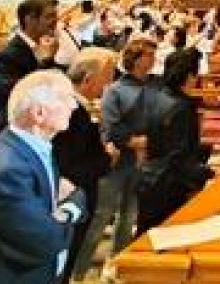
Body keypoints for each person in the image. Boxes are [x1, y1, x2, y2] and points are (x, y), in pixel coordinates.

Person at [0, 70, 87, 284]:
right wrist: (73, 206)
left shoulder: (34, 147)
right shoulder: (6, 173)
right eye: (66, 98)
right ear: (39, 114)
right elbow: (45, 241)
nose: (74, 106)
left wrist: (57, 215)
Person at [70, 37, 155, 281]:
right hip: (114, 163)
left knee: (129, 218)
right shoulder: (115, 90)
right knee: (100, 219)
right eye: (148, 55)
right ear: (135, 59)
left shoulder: (153, 88)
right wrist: (138, 143)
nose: (152, 59)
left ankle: (117, 269)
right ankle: (77, 273)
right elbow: (112, 128)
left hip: (140, 163)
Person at [53, 49, 115, 284]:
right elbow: (72, 166)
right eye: (106, 78)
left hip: (71, 195)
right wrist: (107, 159)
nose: (108, 85)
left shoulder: (72, 106)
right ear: (88, 78)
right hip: (70, 198)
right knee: (62, 264)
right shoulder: (71, 112)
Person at [136, 48, 213, 233]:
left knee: (145, 233)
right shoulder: (182, 108)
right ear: (189, 76)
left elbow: (164, 141)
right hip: (168, 186)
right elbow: (178, 158)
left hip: (148, 178)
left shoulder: (155, 95)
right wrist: (211, 173)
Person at [0, 0, 60, 146]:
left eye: (55, 16)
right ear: (29, 19)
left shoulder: (41, 49)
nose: (55, 22)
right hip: (9, 137)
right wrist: (45, 63)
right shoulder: (7, 55)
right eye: (49, 16)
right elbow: (20, 94)